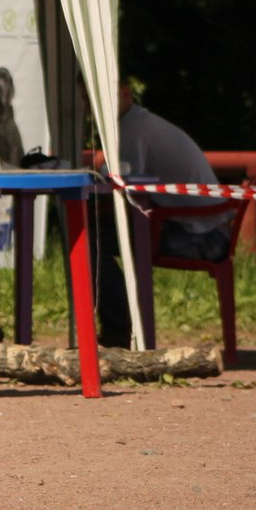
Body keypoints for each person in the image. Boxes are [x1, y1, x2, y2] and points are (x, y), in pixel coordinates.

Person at [96, 81, 233, 345]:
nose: (94, 106)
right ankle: (119, 330)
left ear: (126, 93)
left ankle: (118, 333)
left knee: (89, 242)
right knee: (96, 238)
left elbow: (124, 192)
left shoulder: (132, 130)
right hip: (207, 229)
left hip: (202, 237)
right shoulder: (140, 123)